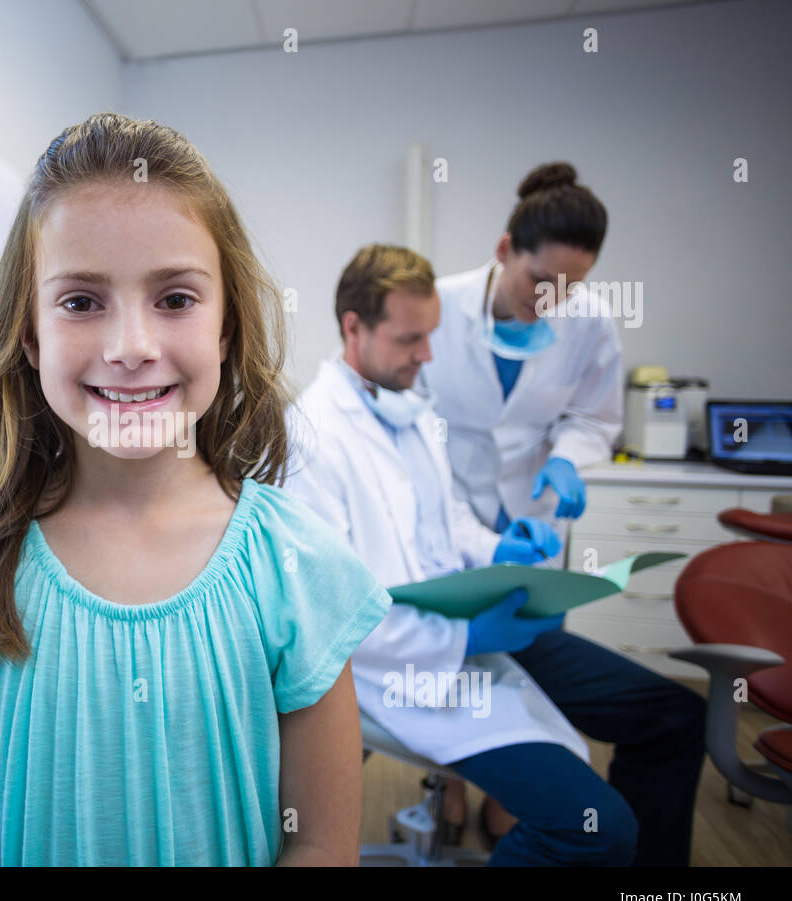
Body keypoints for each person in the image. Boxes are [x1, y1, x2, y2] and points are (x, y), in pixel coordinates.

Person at [0, 113, 391, 866]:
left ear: (225, 329)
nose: (130, 349)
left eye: (175, 299)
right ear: (31, 336)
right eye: (81, 302)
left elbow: (318, 842)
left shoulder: (298, 571)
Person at [284, 244, 705, 866]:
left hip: (470, 635)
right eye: (410, 339)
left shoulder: (411, 411)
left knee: (675, 717)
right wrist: (463, 633)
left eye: (431, 336)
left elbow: (445, 520)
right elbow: (334, 617)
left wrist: (498, 547)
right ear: (354, 327)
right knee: (593, 829)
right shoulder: (311, 437)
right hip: (401, 669)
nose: (426, 356)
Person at [420, 162, 624, 841]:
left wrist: (567, 459)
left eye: (571, 287)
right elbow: (405, 413)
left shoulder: (589, 321)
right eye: (541, 281)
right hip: (450, 504)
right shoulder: (437, 305)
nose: (553, 301)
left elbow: (596, 417)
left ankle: (512, 798)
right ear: (506, 250)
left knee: (530, 663)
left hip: (534, 519)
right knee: (450, 658)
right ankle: (448, 786)